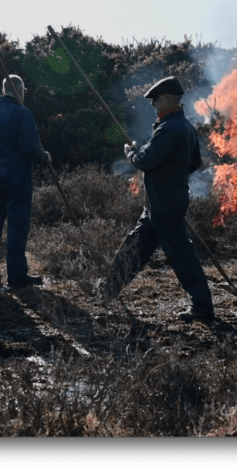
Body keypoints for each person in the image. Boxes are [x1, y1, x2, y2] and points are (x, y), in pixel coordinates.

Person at [94, 76, 215, 321]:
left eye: (156, 99)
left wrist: (130, 152)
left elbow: (145, 160)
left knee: (181, 255)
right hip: (161, 202)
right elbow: (192, 163)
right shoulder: (184, 126)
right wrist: (171, 176)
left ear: (168, 98)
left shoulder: (170, 128)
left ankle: (202, 306)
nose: (152, 104)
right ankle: (107, 290)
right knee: (135, 246)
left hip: (164, 203)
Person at [0, 75, 52, 287]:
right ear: (20, 91)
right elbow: (30, 147)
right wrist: (44, 157)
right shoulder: (22, 113)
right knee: (17, 226)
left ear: (3, 90)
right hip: (17, 177)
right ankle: (17, 276)